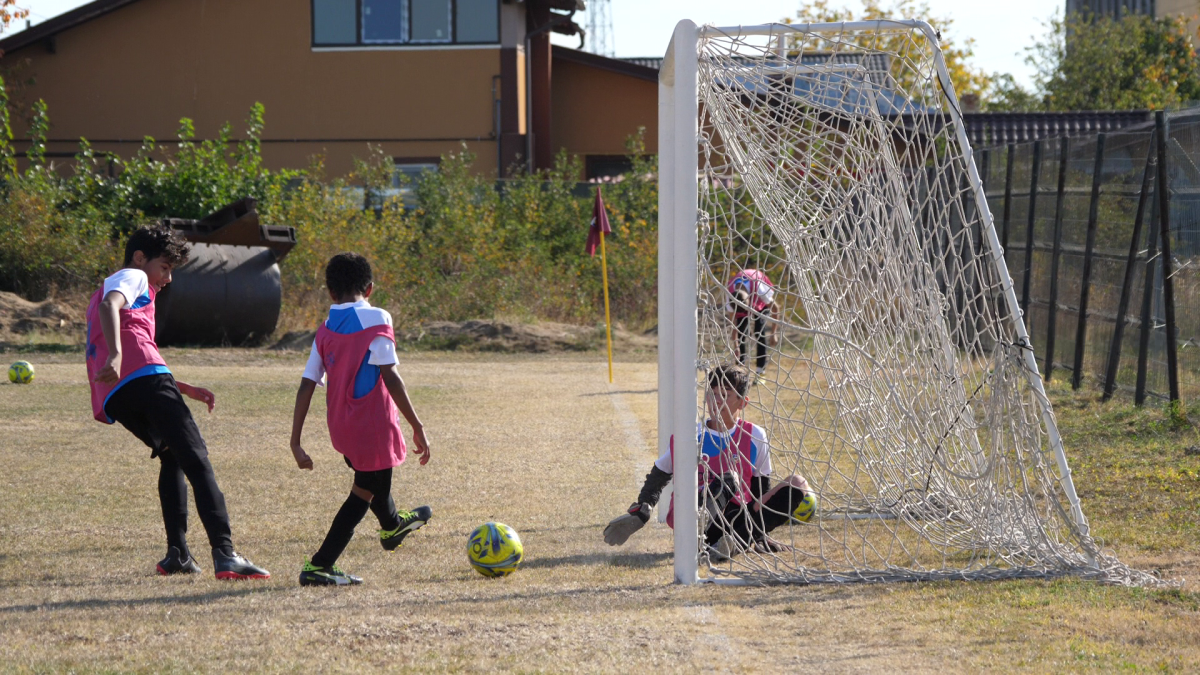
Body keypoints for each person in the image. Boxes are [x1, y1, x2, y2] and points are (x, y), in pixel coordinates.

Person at [86, 224, 270, 579]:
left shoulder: (105, 290)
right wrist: (116, 356)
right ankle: (226, 553)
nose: (168, 279)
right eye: (165, 268)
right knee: (197, 458)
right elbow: (114, 309)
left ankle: (178, 554)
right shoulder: (132, 276)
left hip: (119, 394)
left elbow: (128, 330)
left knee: (173, 457)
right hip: (142, 379)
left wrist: (182, 387)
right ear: (140, 258)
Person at [289, 252, 432, 587]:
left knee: (374, 475)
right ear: (369, 288)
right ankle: (320, 565)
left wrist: (295, 441)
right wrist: (417, 424)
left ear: (330, 292)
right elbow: (391, 377)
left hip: (342, 426)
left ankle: (393, 526)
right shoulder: (377, 317)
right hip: (372, 423)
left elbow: (306, 383)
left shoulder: (324, 330)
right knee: (365, 490)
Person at [602, 365, 814, 558]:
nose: (716, 402)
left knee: (798, 483)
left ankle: (737, 541)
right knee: (729, 479)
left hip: (736, 520)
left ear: (743, 402)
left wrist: (760, 532)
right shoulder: (690, 434)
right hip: (692, 514)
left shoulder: (755, 435)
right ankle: (701, 536)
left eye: (725, 395)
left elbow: (760, 491)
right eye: (712, 395)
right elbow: (661, 472)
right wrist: (642, 509)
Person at [727, 269, 779, 383]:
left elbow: (775, 308)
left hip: (760, 303)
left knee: (759, 332)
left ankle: (761, 372)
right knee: (741, 334)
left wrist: (774, 333)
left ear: (749, 300)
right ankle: (740, 372)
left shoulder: (759, 289)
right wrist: (735, 345)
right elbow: (733, 324)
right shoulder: (730, 296)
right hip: (743, 303)